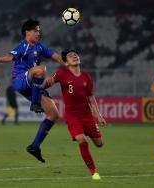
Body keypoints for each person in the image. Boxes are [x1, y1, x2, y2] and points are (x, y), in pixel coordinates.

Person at [0, 19, 66, 163]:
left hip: (32, 86)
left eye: (39, 30)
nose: (38, 33)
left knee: (54, 114)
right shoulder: (23, 46)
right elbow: (11, 56)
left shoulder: (40, 47)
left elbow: (55, 56)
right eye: (35, 30)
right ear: (27, 32)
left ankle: (35, 146)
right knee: (41, 70)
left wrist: (67, 64)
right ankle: (35, 103)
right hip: (20, 80)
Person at [44, 50, 106, 180]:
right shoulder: (62, 74)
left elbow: (90, 97)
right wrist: (43, 83)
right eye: (70, 56)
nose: (74, 56)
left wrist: (98, 115)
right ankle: (94, 171)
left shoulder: (86, 77)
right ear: (66, 63)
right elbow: (50, 81)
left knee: (100, 144)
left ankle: (87, 132)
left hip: (87, 115)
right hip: (72, 116)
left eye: (76, 55)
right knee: (81, 140)